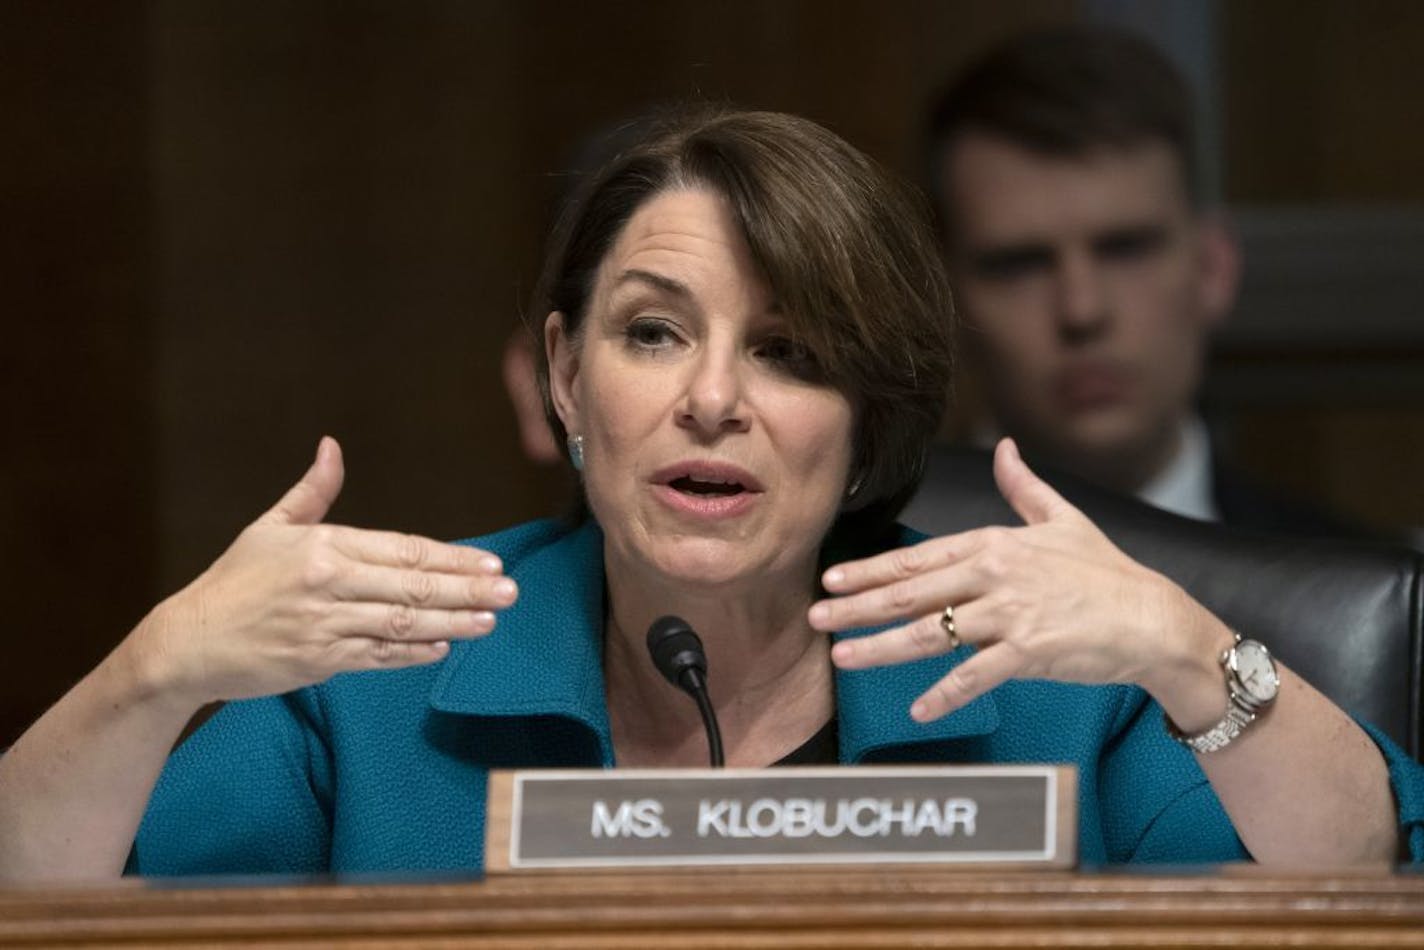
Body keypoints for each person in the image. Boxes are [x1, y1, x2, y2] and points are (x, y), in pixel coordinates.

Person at [0, 106, 1416, 881]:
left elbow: (1357, 872)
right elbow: (44, 898)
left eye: (791, 351)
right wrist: (152, 671)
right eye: (654, 331)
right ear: (565, 373)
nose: (715, 400)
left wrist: (1181, 647)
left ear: (867, 416)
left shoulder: (1040, 682)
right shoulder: (381, 675)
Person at [905, 26, 1356, 537]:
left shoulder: (1366, 595)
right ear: (944, 301)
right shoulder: (851, 579)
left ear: (1213, 268)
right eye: (1020, 265)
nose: (1082, 310)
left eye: (1125, 249)